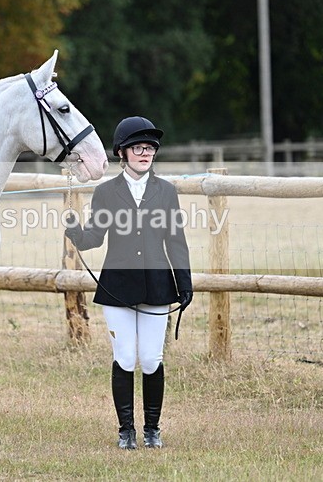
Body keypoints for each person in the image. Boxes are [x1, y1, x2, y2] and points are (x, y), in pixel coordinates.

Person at [65, 116, 193, 450]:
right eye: (138, 148)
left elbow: (176, 240)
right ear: (122, 152)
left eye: (150, 148)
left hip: (157, 285)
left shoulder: (166, 192)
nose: (145, 153)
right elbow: (94, 237)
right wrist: (75, 231)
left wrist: (184, 282)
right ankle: (126, 431)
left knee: (151, 358)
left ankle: (152, 429)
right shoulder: (106, 192)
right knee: (124, 357)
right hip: (117, 287)